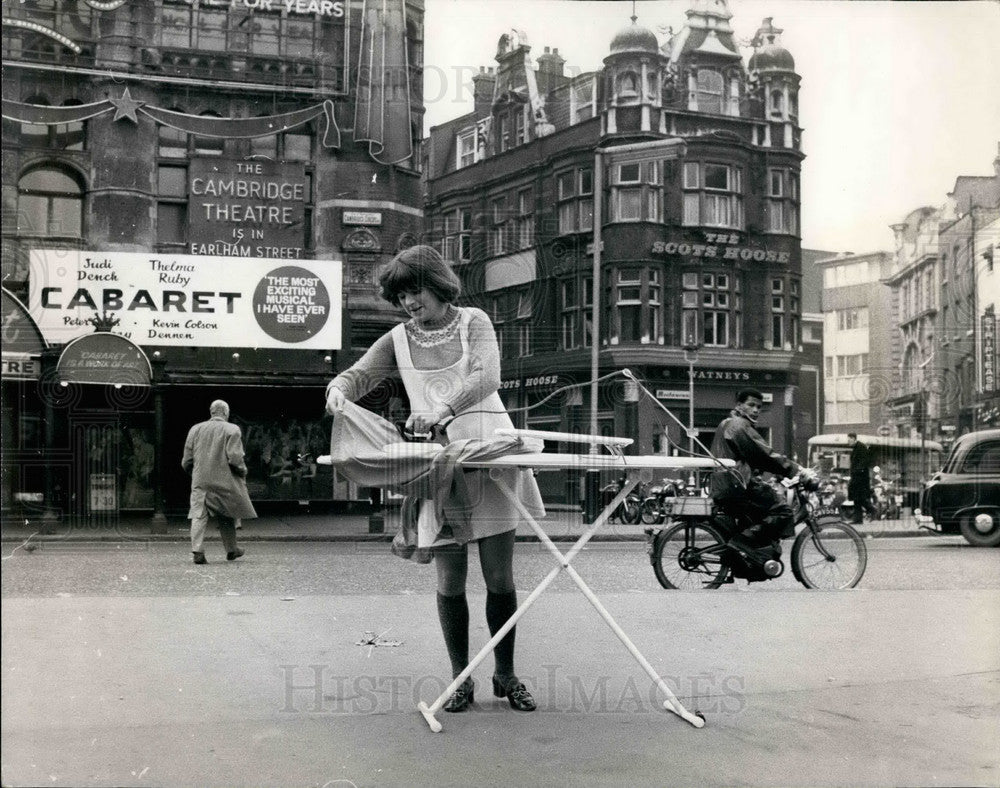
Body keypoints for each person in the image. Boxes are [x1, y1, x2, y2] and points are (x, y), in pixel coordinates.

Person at [325, 245, 544, 714]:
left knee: (499, 575)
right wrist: (338, 390)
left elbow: (488, 376)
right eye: (400, 295)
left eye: (415, 290)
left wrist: (444, 408)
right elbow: (360, 375)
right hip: (439, 466)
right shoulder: (399, 338)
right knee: (450, 578)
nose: (408, 302)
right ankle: (460, 678)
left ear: (440, 285)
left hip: (491, 456)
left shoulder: (474, 322)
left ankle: (505, 675)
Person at [708, 388, 801, 546]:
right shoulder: (739, 426)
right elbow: (763, 455)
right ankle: (742, 542)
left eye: (759, 407)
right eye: (751, 405)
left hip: (725, 484)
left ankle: (750, 558)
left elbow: (749, 458)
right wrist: (793, 469)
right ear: (739, 405)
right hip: (738, 485)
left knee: (757, 517)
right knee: (783, 511)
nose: (756, 410)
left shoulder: (727, 423)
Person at [181, 399, 257, 564]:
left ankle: (198, 551)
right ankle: (231, 549)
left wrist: (194, 473)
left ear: (211, 412)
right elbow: (235, 458)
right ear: (226, 413)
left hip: (201, 480)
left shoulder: (195, 429)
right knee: (227, 513)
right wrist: (243, 471)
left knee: (198, 515)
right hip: (225, 480)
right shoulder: (232, 429)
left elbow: (186, 460)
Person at [847, 432, 876, 524]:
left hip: (860, 479)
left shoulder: (860, 447)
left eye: (849, 439)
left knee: (859, 498)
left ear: (853, 438)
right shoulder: (856, 448)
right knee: (857, 499)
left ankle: (871, 509)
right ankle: (858, 519)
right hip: (857, 477)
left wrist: (857, 471)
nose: (848, 441)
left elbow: (864, 461)